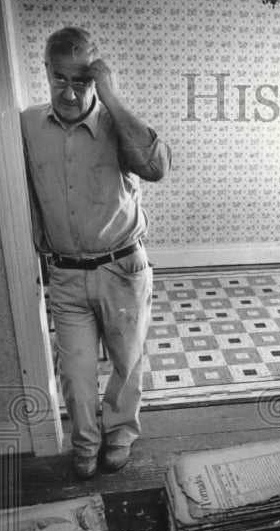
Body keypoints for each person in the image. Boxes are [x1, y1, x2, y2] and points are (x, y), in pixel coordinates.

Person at [21, 26, 171, 479]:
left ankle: (120, 435)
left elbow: (157, 166)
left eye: (81, 80)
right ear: (46, 73)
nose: (70, 91)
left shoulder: (116, 123)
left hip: (122, 267)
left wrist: (110, 95)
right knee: (77, 372)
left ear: (96, 77)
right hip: (65, 275)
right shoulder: (27, 125)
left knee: (127, 363)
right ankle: (85, 443)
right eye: (60, 79)